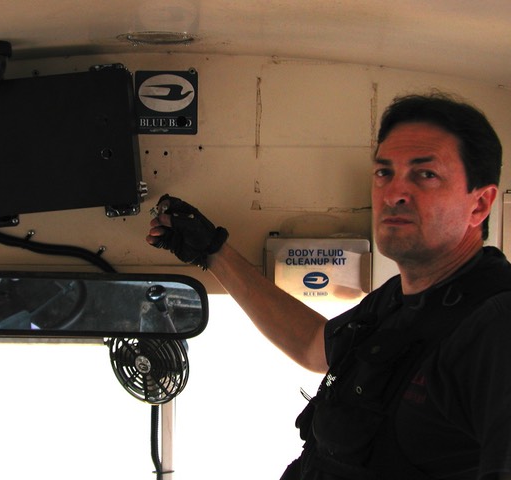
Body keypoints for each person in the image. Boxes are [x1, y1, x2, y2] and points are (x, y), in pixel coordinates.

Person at [146, 92, 511, 480]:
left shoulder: (496, 326)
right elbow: (311, 343)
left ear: (480, 204)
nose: (393, 193)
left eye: (425, 174)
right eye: (384, 173)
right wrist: (213, 252)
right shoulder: (397, 300)